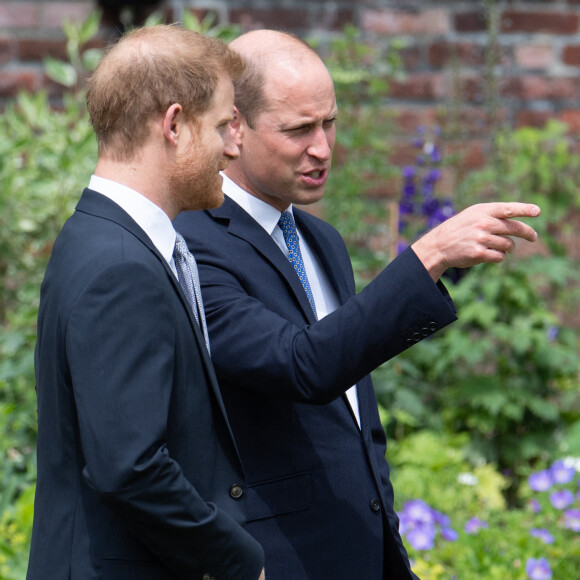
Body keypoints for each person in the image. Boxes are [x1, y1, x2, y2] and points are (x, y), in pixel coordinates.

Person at [174, 29, 540, 580]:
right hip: (280, 559)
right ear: (234, 129)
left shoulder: (322, 241)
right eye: (298, 129)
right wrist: (430, 254)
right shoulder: (194, 242)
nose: (321, 148)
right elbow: (303, 365)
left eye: (329, 123)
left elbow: (358, 420)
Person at [27, 25, 266, 580]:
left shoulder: (98, 236)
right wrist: (237, 560)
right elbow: (129, 468)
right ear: (175, 124)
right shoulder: (120, 267)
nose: (235, 146)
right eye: (225, 125)